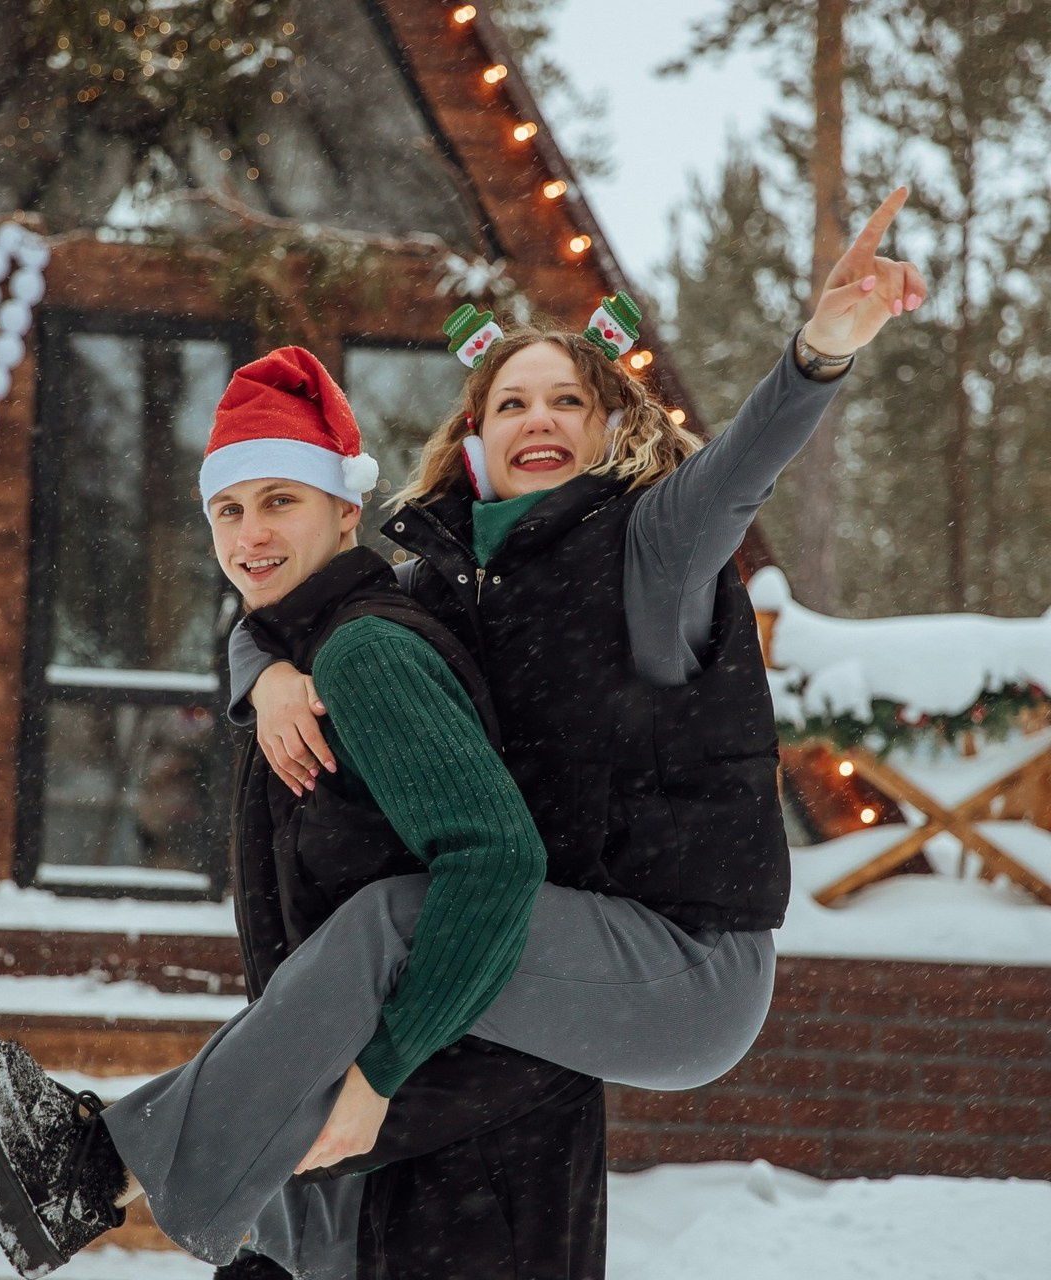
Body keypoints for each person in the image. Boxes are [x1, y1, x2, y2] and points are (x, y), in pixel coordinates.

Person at [233, 187, 925, 1166]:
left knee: (386, 941)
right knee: (361, 1070)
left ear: (609, 428)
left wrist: (817, 351)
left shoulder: (650, 545)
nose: (538, 417)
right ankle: (268, 1219)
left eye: (567, 398)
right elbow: (294, 606)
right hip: (542, 928)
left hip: (676, 955)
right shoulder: (435, 584)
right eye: (510, 401)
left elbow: (738, 468)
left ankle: (150, 1153)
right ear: (475, 440)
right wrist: (261, 674)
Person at [0, 347, 606, 1280]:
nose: (250, 532)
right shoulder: (299, 649)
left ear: (345, 511)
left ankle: (94, 1171)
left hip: (456, 1159)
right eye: (229, 508)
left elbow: (492, 864)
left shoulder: (366, 654)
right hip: (368, 1143)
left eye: (281, 501)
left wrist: (385, 1072)